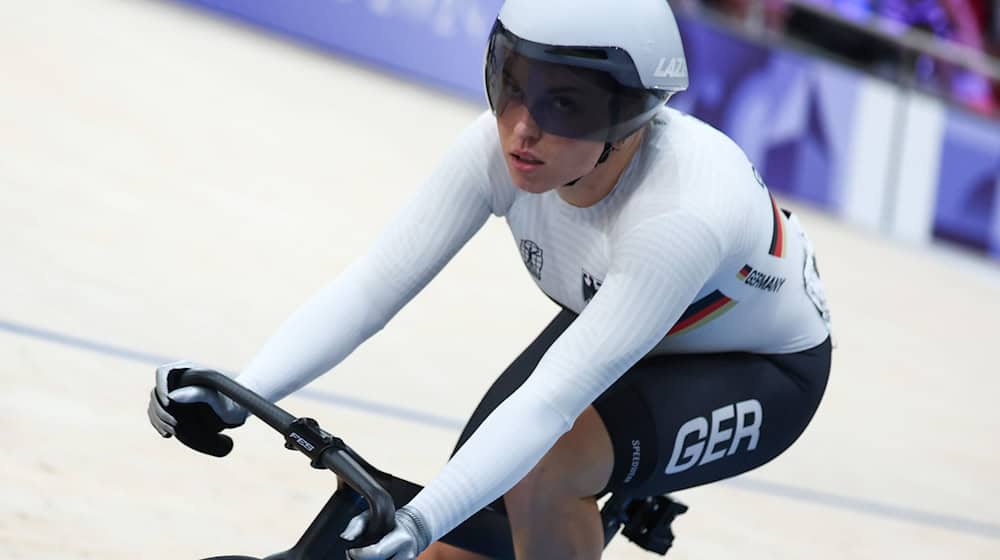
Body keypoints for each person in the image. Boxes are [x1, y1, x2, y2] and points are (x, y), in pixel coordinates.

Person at [147, 0, 833, 558]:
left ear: (630, 116)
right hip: (632, 318)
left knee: (543, 473)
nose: (523, 128)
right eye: (513, 86)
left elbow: (548, 405)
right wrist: (240, 391)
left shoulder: (679, 217)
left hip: (762, 366)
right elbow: (370, 288)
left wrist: (418, 523)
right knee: (459, 543)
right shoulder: (496, 146)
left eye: (565, 104)